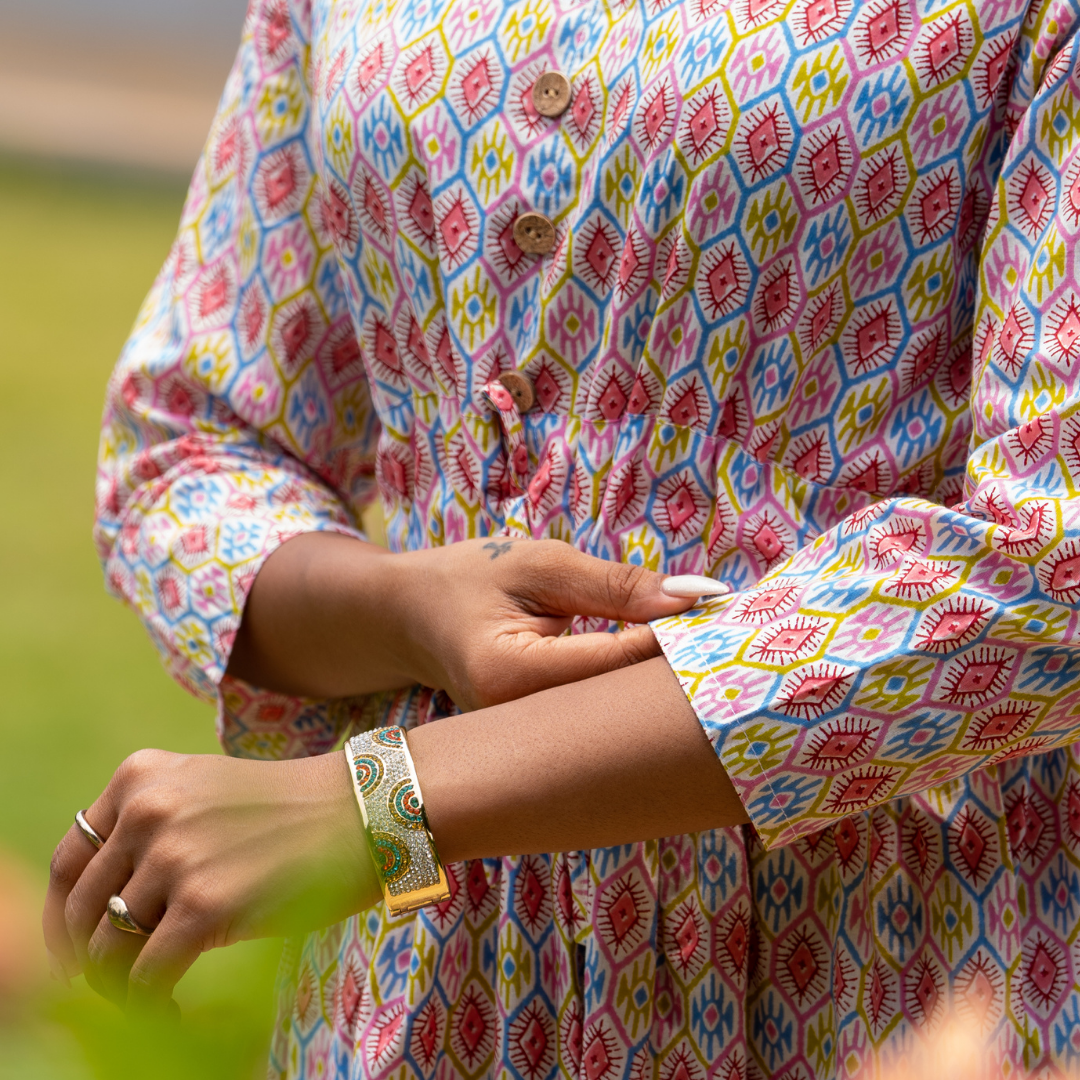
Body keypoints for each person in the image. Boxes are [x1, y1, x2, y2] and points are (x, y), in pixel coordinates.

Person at [41, 0, 1080, 1074]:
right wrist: (405, 610)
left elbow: (1051, 563)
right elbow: (188, 434)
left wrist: (384, 805)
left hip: (892, 976)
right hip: (419, 989)